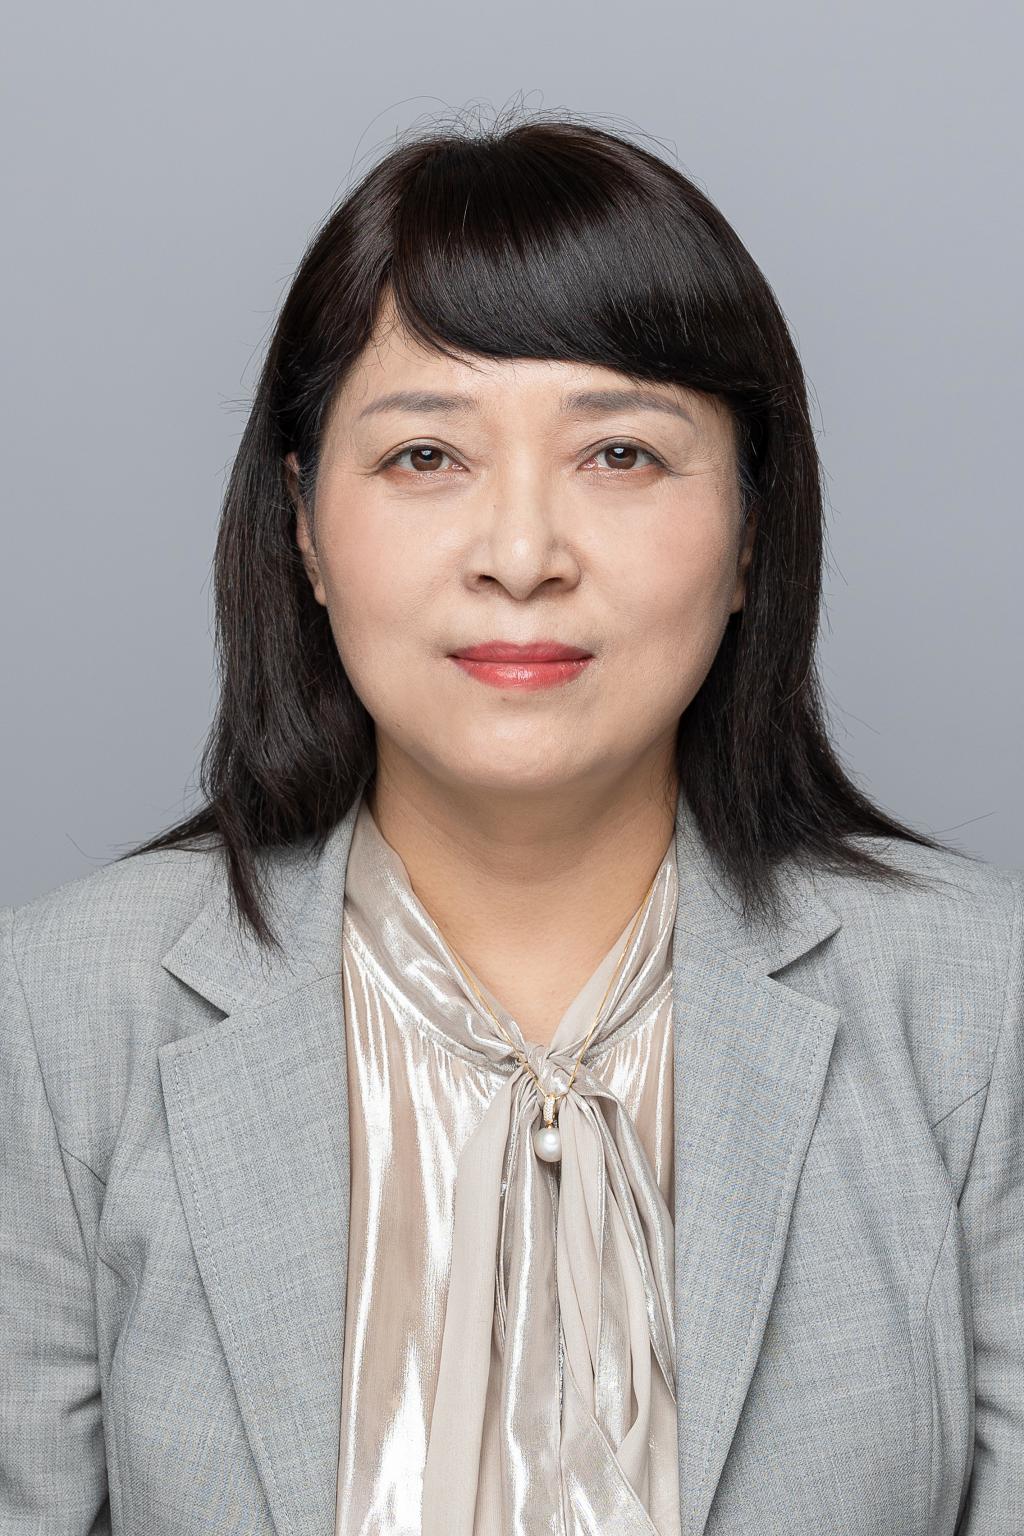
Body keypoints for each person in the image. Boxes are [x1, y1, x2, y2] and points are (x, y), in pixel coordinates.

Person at [1, 111, 1020, 1536]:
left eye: (622, 455)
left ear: (750, 531)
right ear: (303, 526)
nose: (524, 556)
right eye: (427, 455)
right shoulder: (62, 1012)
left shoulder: (982, 1004)